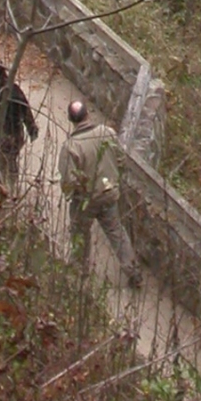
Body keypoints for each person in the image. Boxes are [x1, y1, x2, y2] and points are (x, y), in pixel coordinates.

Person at [58, 98, 141, 289]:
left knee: (80, 232)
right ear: (87, 114)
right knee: (116, 232)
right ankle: (133, 270)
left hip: (86, 199)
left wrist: (75, 192)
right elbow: (121, 159)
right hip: (109, 193)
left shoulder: (71, 147)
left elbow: (68, 182)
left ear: (71, 120)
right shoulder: (107, 133)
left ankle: (80, 273)